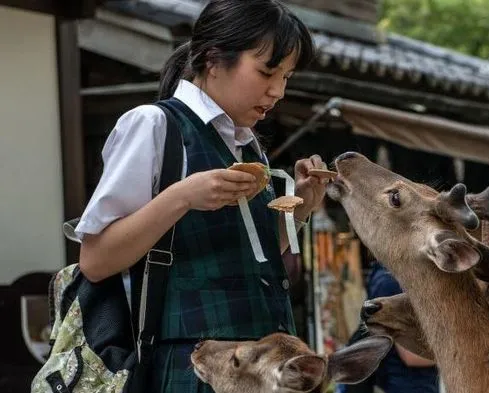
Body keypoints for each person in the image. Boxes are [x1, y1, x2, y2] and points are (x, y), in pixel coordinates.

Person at [74, 1, 324, 391]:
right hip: (191, 368)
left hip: (262, 369)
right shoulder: (154, 125)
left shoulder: (247, 144)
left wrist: (302, 206)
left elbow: (245, 257)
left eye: (287, 77)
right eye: (267, 72)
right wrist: (182, 196)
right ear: (213, 60)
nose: (277, 91)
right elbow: (96, 260)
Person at [337, 261, 440, 393]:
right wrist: (456, 358)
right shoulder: (392, 282)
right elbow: (410, 356)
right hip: (406, 385)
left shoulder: (387, 275)